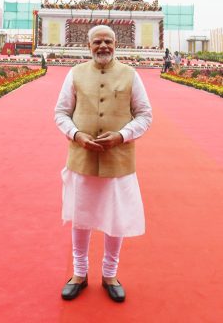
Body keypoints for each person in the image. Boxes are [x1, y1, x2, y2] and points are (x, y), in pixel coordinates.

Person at [54, 24, 152, 302]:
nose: (103, 46)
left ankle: (110, 274)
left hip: (118, 160)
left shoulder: (131, 75)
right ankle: (79, 273)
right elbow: (60, 112)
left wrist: (122, 135)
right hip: (81, 157)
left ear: (115, 44)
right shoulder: (75, 74)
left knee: (115, 219)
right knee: (80, 216)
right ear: (89, 46)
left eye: (108, 41)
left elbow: (145, 115)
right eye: (97, 41)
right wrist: (76, 134)